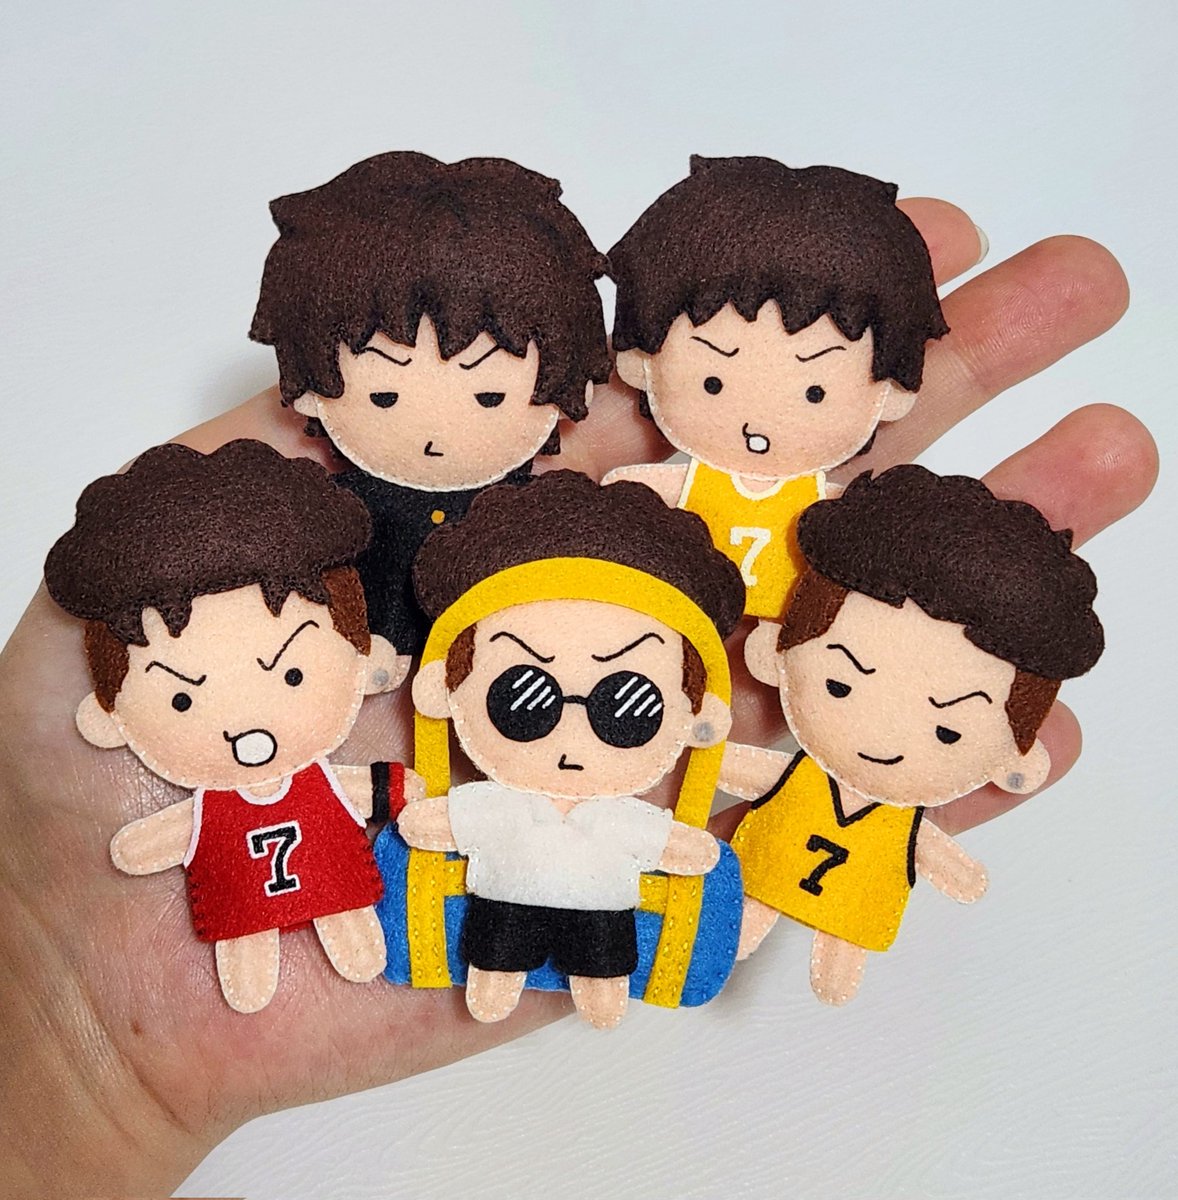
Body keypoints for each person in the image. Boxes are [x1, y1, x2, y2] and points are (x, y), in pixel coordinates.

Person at [0, 198, 1153, 1194]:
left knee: (640, 933)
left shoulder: (774, 579)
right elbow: (394, 798)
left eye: (626, 713)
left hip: (618, 859)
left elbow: (723, 799)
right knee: (469, 936)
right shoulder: (389, 606)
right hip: (451, 858)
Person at [42, 439, 421, 1012]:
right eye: (181, 700)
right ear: (110, 716)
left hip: (333, 880)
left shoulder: (312, 779)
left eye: (291, 673)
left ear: (362, 662)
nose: (247, 726)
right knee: (247, 954)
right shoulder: (212, 804)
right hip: (243, 899)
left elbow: (372, 790)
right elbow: (145, 846)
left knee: (350, 925)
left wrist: (393, 789)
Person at [720, 464, 1104, 1003]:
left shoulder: (899, 815)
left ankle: (828, 953)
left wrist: (957, 871)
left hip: (858, 897)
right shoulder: (807, 781)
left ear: (1015, 756)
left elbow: (930, 849)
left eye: (948, 730)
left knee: (845, 934)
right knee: (750, 904)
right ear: (773, 653)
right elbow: (738, 768)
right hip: (767, 865)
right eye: (840, 685)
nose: (882, 736)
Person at [397, 470, 744, 1028]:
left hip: (602, 912)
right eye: (525, 698)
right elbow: (428, 824)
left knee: (602, 960)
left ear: (696, 715)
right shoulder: (502, 806)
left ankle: (599, 990)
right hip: (504, 906)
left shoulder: (617, 819)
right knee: (496, 952)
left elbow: (685, 850)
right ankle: (499, 984)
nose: (572, 732)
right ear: (446, 689)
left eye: (625, 706)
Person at [250, 152, 612, 653]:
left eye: (489, 396)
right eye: (384, 396)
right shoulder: (336, 512)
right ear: (312, 391)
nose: (434, 435)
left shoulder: (537, 514)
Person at [604, 156, 946, 621]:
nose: (756, 423)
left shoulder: (830, 508)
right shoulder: (682, 486)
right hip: (682, 612)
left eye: (814, 392)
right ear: (641, 362)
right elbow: (630, 495)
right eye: (713, 383)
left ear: (891, 394)